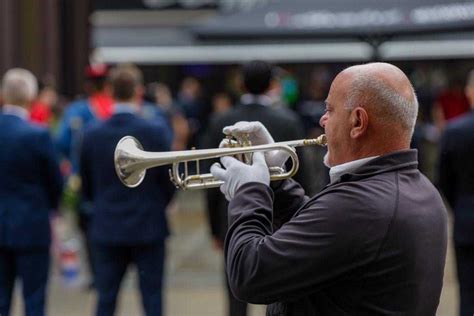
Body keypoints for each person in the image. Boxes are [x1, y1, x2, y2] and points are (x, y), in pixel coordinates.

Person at [210, 62, 448, 315]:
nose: (323, 120)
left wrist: (250, 193)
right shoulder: (420, 189)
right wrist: (275, 184)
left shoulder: (359, 205)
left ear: (358, 122)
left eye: (329, 109)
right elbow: (329, 235)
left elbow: (248, 275)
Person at [203, 60, 308, 316]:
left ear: (240, 85)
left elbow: (214, 181)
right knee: (282, 290)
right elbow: (301, 174)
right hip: (281, 218)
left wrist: (215, 229)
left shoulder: (221, 119)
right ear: (273, 84)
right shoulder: (288, 120)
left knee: (236, 292)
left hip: (233, 215)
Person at [79, 64, 175, 316]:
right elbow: (168, 181)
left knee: (106, 299)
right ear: (139, 91)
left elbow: (86, 184)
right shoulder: (156, 130)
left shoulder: (91, 133)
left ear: (109, 91)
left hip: (107, 226)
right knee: (152, 299)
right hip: (149, 224)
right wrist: (157, 204)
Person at [0, 68, 63, 316]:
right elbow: (54, 181)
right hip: (32, 225)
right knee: (34, 299)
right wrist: (51, 208)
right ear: (31, 98)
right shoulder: (37, 134)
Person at [437, 69, 474, 316]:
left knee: (468, 295)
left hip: (467, 223)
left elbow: (444, 181)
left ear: (470, 93)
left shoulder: (454, 131)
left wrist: (460, 207)